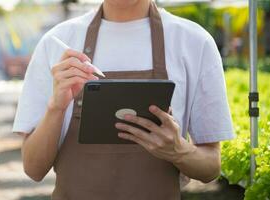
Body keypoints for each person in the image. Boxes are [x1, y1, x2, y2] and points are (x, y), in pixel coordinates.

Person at [13, 0, 235, 199]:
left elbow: (211, 167)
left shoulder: (194, 42)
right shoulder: (58, 42)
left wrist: (178, 150)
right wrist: (56, 107)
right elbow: (33, 168)